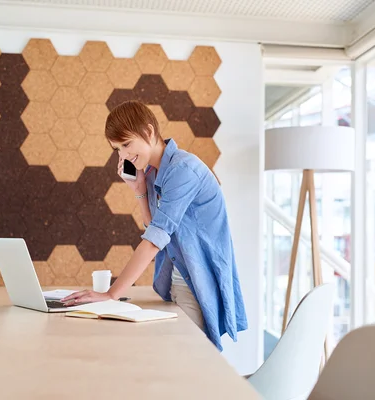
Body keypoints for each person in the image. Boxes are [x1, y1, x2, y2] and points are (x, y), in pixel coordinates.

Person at [62, 100, 247, 350]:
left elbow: (154, 241)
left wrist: (111, 294)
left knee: (187, 364)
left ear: (148, 133)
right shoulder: (151, 172)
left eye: (126, 144)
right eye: (117, 149)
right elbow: (156, 229)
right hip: (174, 282)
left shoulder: (183, 169)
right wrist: (139, 191)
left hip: (196, 283)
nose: (123, 155)